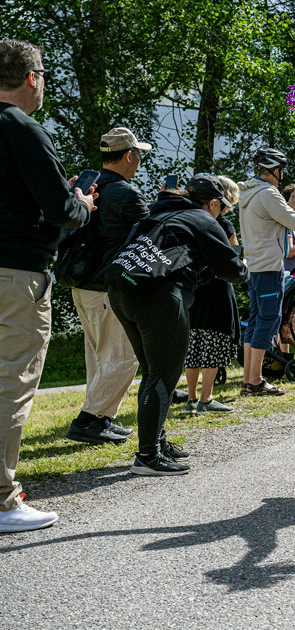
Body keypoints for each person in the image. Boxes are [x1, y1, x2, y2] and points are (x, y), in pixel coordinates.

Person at [0, 39, 95, 532]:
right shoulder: (20, 127)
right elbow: (61, 209)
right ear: (32, 77)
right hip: (15, 273)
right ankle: (1, 499)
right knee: (10, 383)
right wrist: (81, 203)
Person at [107, 177, 249, 476]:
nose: (221, 214)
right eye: (222, 208)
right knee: (162, 377)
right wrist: (243, 263)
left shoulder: (157, 215)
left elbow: (182, 262)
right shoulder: (202, 219)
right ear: (213, 203)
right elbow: (232, 271)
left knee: (152, 373)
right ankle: (148, 456)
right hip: (159, 297)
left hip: (121, 290)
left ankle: (155, 441)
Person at [64, 126, 153, 445]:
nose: (140, 159)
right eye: (139, 153)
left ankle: (101, 417)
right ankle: (88, 420)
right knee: (125, 356)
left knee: (100, 356)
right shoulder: (127, 194)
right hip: (106, 287)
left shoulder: (86, 185)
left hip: (81, 283)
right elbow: (149, 238)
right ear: (130, 155)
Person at [238, 147, 295, 396]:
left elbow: (278, 219)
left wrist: (290, 203)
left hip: (255, 266)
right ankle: (255, 381)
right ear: (275, 170)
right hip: (270, 267)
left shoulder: (250, 193)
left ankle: (248, 379)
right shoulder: (268, 193)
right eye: (281, 170)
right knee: (268, 321)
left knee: (255, 322)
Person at [184, 176, 242, 414]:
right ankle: (206, 399)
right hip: (217, 288)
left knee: (194, 342)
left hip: (194, 289)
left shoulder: (189, 223)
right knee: (215, 340)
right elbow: (234, 257)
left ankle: (191, 398)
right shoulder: (224, 226)